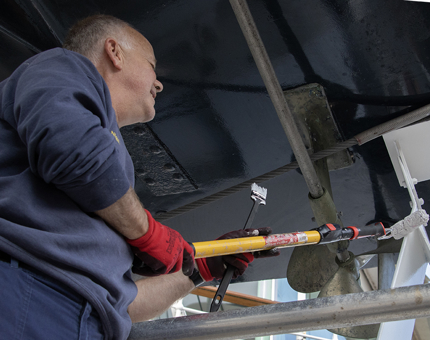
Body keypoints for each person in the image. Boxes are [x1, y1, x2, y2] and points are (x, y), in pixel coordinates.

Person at [0, 14, 279, 340]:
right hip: (28, 295)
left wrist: (202, 268)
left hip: (75, 318)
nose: (159, 83)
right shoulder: (62, 66)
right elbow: (70, 149)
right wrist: (147, 234)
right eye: (151, 64)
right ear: (114, 52)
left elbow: (122, 305)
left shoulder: (104, 176)